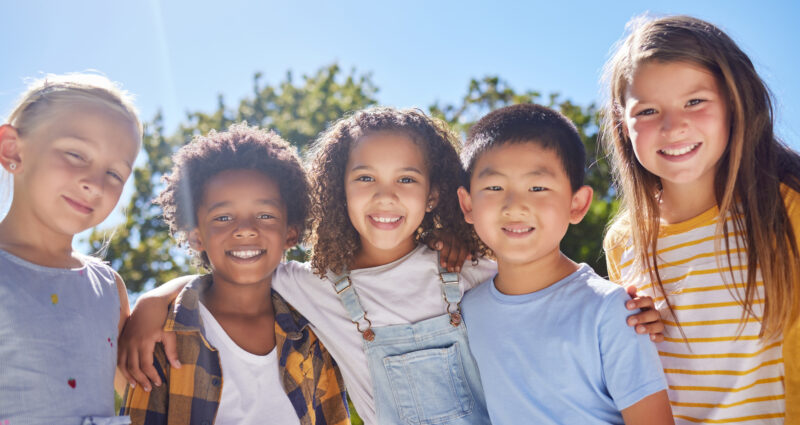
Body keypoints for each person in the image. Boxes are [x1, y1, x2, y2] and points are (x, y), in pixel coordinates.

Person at [119, 107, 665, 425]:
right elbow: (230, 270)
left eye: (406, 179)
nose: (385, 197)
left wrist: (622, 303)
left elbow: (544, 281)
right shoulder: (311, 284)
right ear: (338, 188)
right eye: (365, 180)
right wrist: (151, 301)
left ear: (434, 195)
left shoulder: (469, 269)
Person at [601, 15, 800, 424]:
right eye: (649, 110)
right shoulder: (623, 242)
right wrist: (634, 331)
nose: (673, 127)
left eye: (695, 101)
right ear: (623, 123)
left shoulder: (787, 208)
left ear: (733, 101)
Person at [119, 123, 349, 425]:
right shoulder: (163, 333)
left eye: (265, 215)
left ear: (290, 234)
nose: (245, 229)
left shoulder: (315, 330)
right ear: (196, 236)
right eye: (223, 217)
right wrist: (151, 302)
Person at [457, 103, 672, 425]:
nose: (515, 205)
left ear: (578, 204)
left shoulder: (612, 310)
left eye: (538, 187)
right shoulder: (466, 311)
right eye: (495, 187)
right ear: (467, 204)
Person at [0, 73, 142, 425]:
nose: (93, 184)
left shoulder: (109, 286)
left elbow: (142, 393)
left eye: (114, 174)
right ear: (12, 149)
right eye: (76, 154)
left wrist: (161, 300)